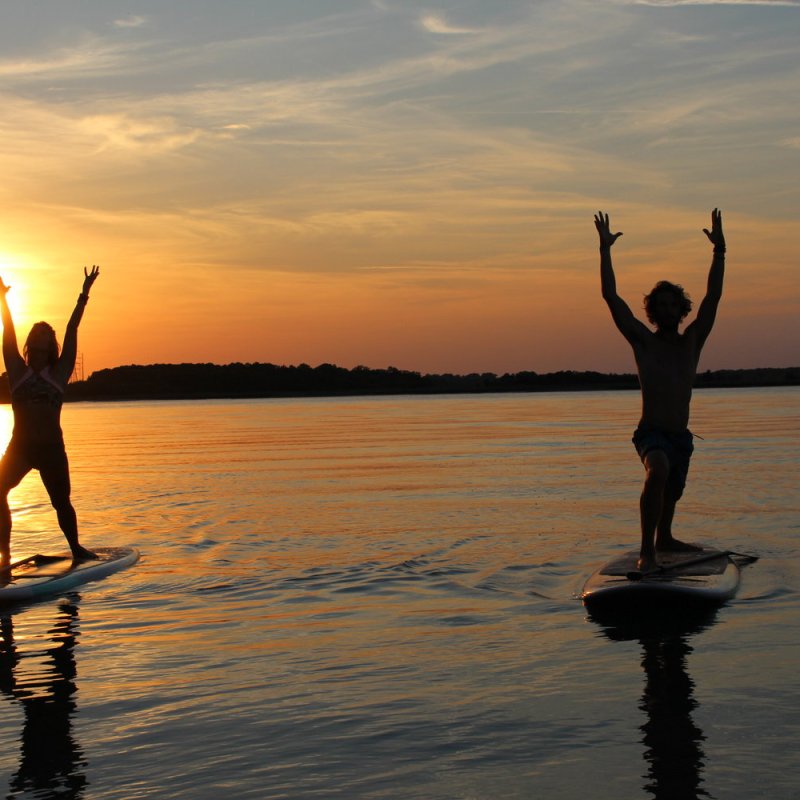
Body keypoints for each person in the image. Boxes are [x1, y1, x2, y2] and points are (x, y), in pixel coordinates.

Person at [595, 210, 726, 572]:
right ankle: (647, 552)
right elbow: (611, 296)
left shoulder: (692, 342)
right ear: (652, 311)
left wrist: (720, 253)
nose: (668, 310)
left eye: (674, 305)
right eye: (661, 305)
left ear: (681, 310)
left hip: (680, 435)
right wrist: (605, 251)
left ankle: (664, 538)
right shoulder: (642, 342)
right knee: (658, 471)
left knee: (671, 490)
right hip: (651, 433)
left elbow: (713, 297)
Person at [0, 266, 101, 567]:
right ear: (31, 341)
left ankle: (76, 548)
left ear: (51, 343)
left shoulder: (59, 373)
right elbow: (8, 330)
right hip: (20, 448)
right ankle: (4, 554)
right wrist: (3, 300)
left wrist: (83, 295)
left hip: (52, 450)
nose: (40, 333)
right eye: (36, 331)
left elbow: (72, 329)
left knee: (61, 502)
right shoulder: (17, 370)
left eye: (46, 332)